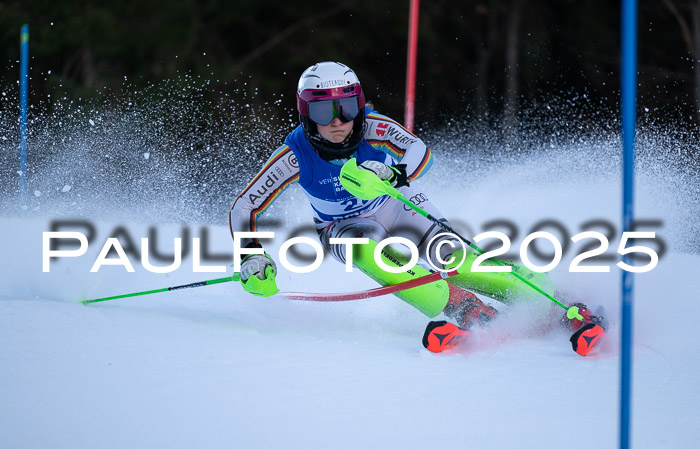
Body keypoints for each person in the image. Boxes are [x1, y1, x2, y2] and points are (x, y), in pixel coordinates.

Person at [228, 61, 606, 355]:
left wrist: (394, 172)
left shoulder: (372, 127)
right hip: (343, 226)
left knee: (450, 255)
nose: (339, 121)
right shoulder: (294, 155)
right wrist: (249, 254)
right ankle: (460, 307)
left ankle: (553, 302)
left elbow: (418, 151)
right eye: (325, 112)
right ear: (305, 113)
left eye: (346, 107)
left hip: (394, 202)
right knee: (375, 254)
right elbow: (245, 204)